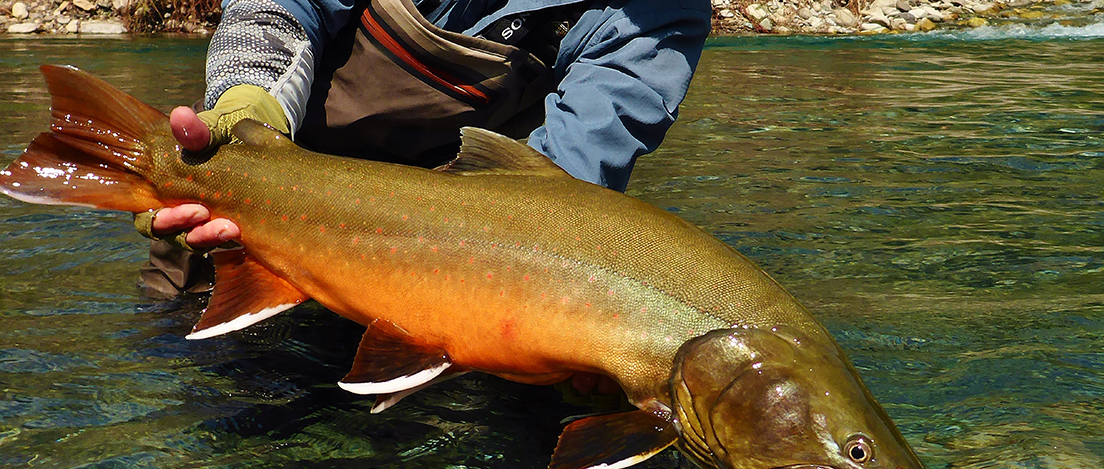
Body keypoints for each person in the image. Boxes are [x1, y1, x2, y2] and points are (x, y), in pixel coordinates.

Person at [139, 0, 711, 293]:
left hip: (450, 251)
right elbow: (284, 4)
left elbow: (567, 183)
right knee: (201, 382)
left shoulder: (664, 15)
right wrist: (248, 111)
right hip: (261, 200)